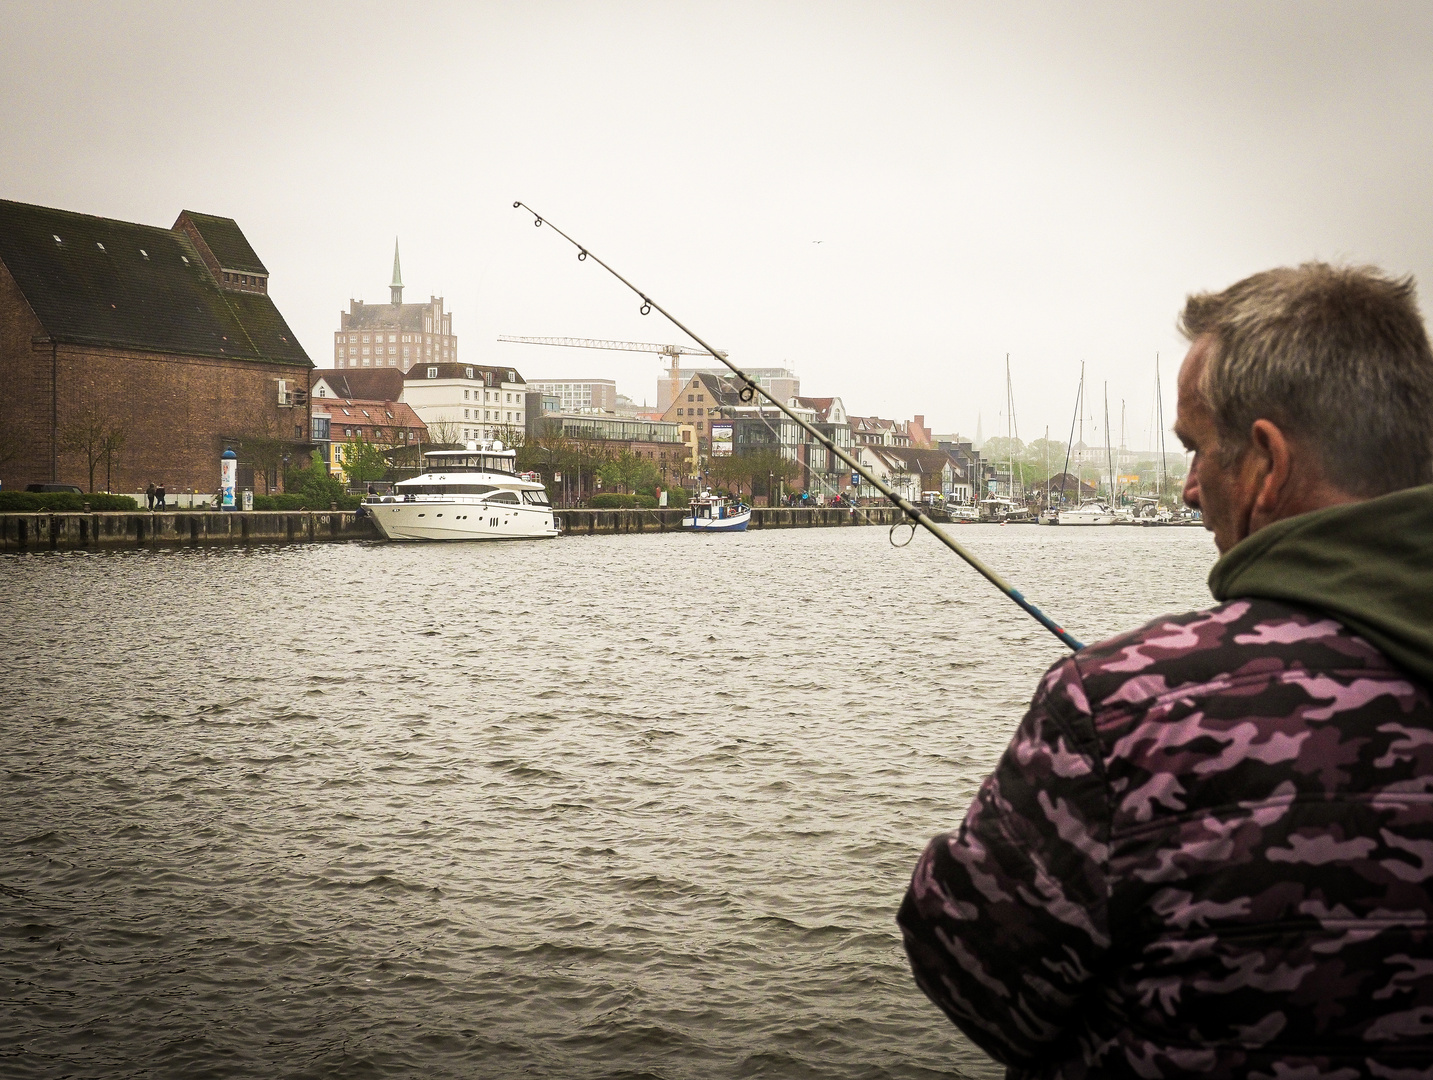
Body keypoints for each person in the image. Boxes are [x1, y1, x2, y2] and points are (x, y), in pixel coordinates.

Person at [898, 263, 1433, 1077]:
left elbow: (969, 973)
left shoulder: (1120, 708)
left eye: (1193, 450)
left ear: (1265, 461)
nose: (1186, 492)